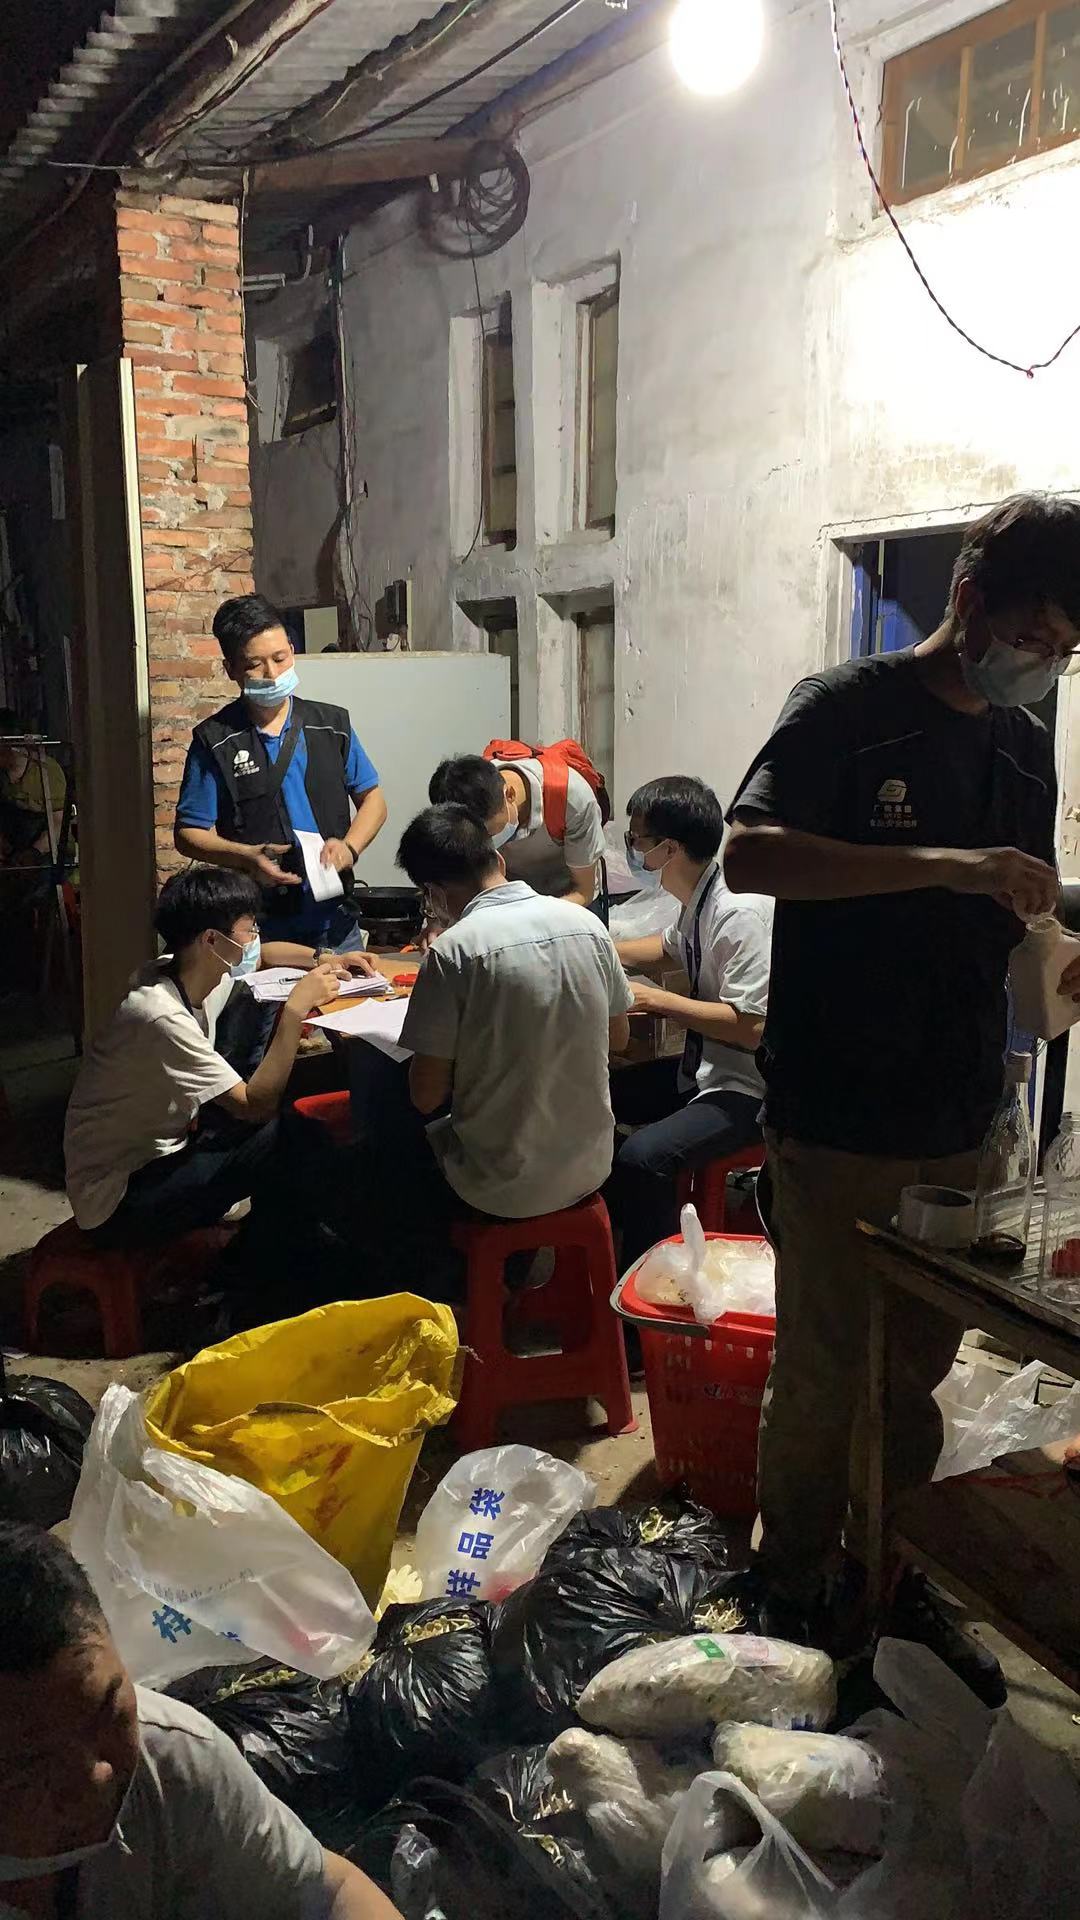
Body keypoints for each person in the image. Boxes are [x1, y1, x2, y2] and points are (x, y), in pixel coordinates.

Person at [724, 492, 1080, 1699]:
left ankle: (884, 1567)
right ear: (969, 598)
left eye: (1065, 648)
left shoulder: (1023, 740)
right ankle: (793, 1577)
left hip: (961, 1107)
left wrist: (1056, 947)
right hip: (840, 1105)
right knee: (825, 1366)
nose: (1044, 662)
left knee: (912, 1370)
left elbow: (1019, 898)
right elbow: (751, 854)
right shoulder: (846, 709)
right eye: (1032, 634)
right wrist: (947, 865)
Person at [0, 1521, 400, 1919]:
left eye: (106, 1711)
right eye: (32, 1762)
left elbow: (329, 1893)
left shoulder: (172, 1757)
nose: (97, 1776)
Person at [63, 865, 361, 1315]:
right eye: (248, 928)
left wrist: (325, 959)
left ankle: (265, 1260)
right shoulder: (159, 1015)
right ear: (211, 940)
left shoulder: (189, 974)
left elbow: (263, 956)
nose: (254, 937)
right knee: (283, 1140)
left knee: (298, 1138)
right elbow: (255, 1105)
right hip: (118, 1202)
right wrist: (295, 1011)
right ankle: (272, 1275)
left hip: (159, 1158)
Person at [356, 805, 632, 1275]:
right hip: (590, 1167)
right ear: (498, 860)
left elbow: (426, 1096)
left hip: (500, 1187)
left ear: (434, 894)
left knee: (385, 1125)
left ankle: (454, 1288)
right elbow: (618, 1038)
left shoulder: (453, 951)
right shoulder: (588, 925)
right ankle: (513, 1276)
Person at [608, 775, 772, 1265]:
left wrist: (657, 1001)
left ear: (669, 848)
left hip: (751, 1089)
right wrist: (595, 947)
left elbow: (751, 1027)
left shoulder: (739, 912)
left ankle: (654, 1281)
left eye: (636, 839)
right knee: (596, 1097)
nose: (633, 850)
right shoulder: (700, 899)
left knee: (642, 1158)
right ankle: (616, 1242)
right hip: (703, 1070)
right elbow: (666, 949)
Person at [174, 594, 387, 951]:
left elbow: (374, 800)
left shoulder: (331, 725)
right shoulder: (215, 741)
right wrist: (245, 857)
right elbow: (188, 833)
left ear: (292, 650)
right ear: (230, 669)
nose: (272, 674)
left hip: (337, 923)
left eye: (279, 658)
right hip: (258, 927)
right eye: (254, 664)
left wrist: (350, 848)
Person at [428, 751, 605, 907]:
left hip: (569, 896)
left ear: (510, 795)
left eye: (491, 834)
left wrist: (532, 918)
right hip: (508, 897)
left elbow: (583, 892)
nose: (488, 842)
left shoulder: (573, 800)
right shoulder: (469, 794)